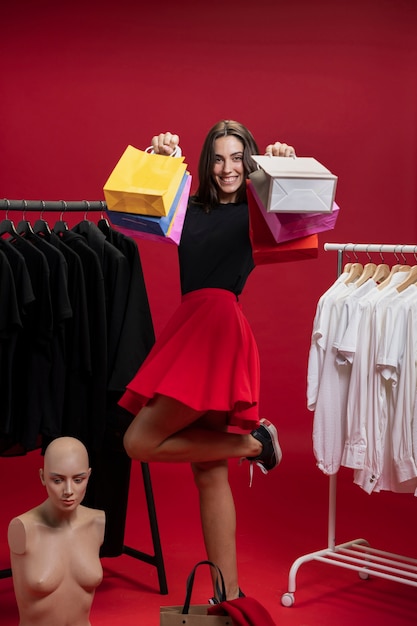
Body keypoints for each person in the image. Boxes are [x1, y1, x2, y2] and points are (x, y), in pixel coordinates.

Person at [121, 120, 295, 601]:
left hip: (218, 328)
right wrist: (158, 158)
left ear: (250, 161)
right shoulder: (188, 208)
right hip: (192, 325)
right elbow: (134, 206)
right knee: (209, 469)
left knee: (138, 441)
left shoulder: (258, 211)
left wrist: (283, 164)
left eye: (237, 158)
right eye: (218, 158)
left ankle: (256, 446)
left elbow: (303, 214)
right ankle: (228, 595)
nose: (227, 168)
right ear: (206, 162)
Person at [7, 436, 105, 626]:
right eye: (57, 480)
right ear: (43, 477)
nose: (68, 490)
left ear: (89, 476)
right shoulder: (23, 528)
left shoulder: (97, 522)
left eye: (78, 479)